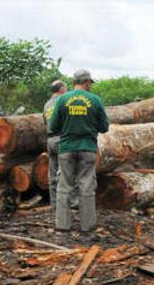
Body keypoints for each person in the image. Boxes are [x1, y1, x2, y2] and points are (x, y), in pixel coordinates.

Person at [48, 69, 109, 233]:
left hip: (66, 148)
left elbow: (52, 127)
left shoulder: (62, 100)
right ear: (87, 82)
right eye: (90, 83)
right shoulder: (95, 100)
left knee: (64, 186)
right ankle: (87, 225)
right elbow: (105, 127)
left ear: (74, 82)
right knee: (87, 186)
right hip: (88, 148)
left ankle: (62, 224)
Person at [42, 80, 78, 214]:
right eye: (66, 88)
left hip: (50, 140)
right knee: (69, 172)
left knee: (53, 174)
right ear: (62, 89)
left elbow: (45, 122)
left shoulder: (46, 105)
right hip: (63, 139)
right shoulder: (65, 101)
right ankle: (73, 204)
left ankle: (54, 204)